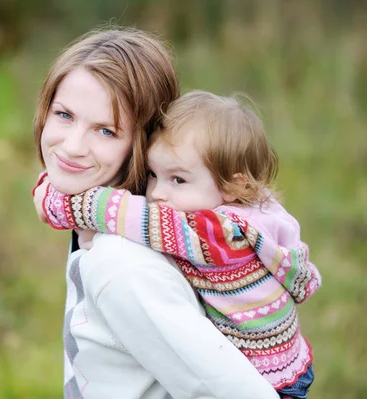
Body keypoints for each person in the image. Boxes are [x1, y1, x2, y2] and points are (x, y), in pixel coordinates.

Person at [33, 27, 280, 398]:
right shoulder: (100, 226)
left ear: (145, 142)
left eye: (105, 131)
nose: (71, 146)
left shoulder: (122, 265)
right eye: (64, 115)